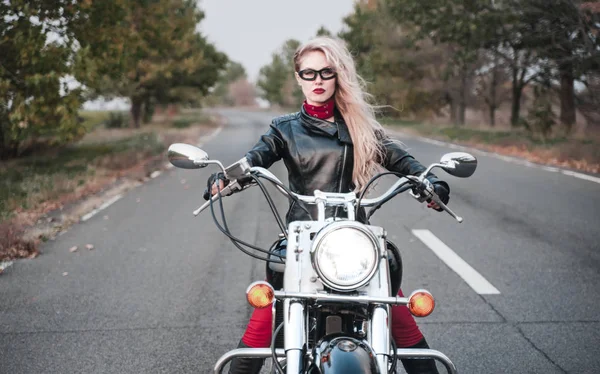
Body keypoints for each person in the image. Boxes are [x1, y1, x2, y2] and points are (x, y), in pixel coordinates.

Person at [207, 36, 449, 374]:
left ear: (339, 76)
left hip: (353, 237)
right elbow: (254, 159)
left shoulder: (361, 127)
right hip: (301, 240)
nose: (317, 80)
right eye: (309, 73)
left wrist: (429, 182)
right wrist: (226, 179)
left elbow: (402, 159)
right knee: (262, 324)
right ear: (298, 78)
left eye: (325, 72)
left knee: (399, 315)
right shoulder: (284, 129)